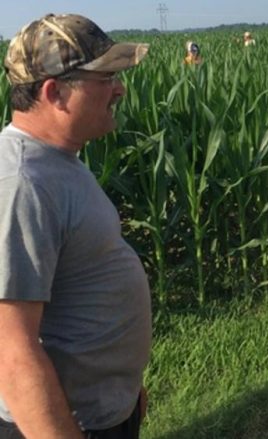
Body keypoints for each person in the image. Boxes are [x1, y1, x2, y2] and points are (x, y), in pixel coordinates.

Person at [0, 13, 152, 439]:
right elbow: (12, 351)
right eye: (105, 78)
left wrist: (123, 389)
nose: (119, 88)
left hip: (101, 410)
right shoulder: (22, 182)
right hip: (63, 424)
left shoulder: (57, 160)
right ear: (55, 92)